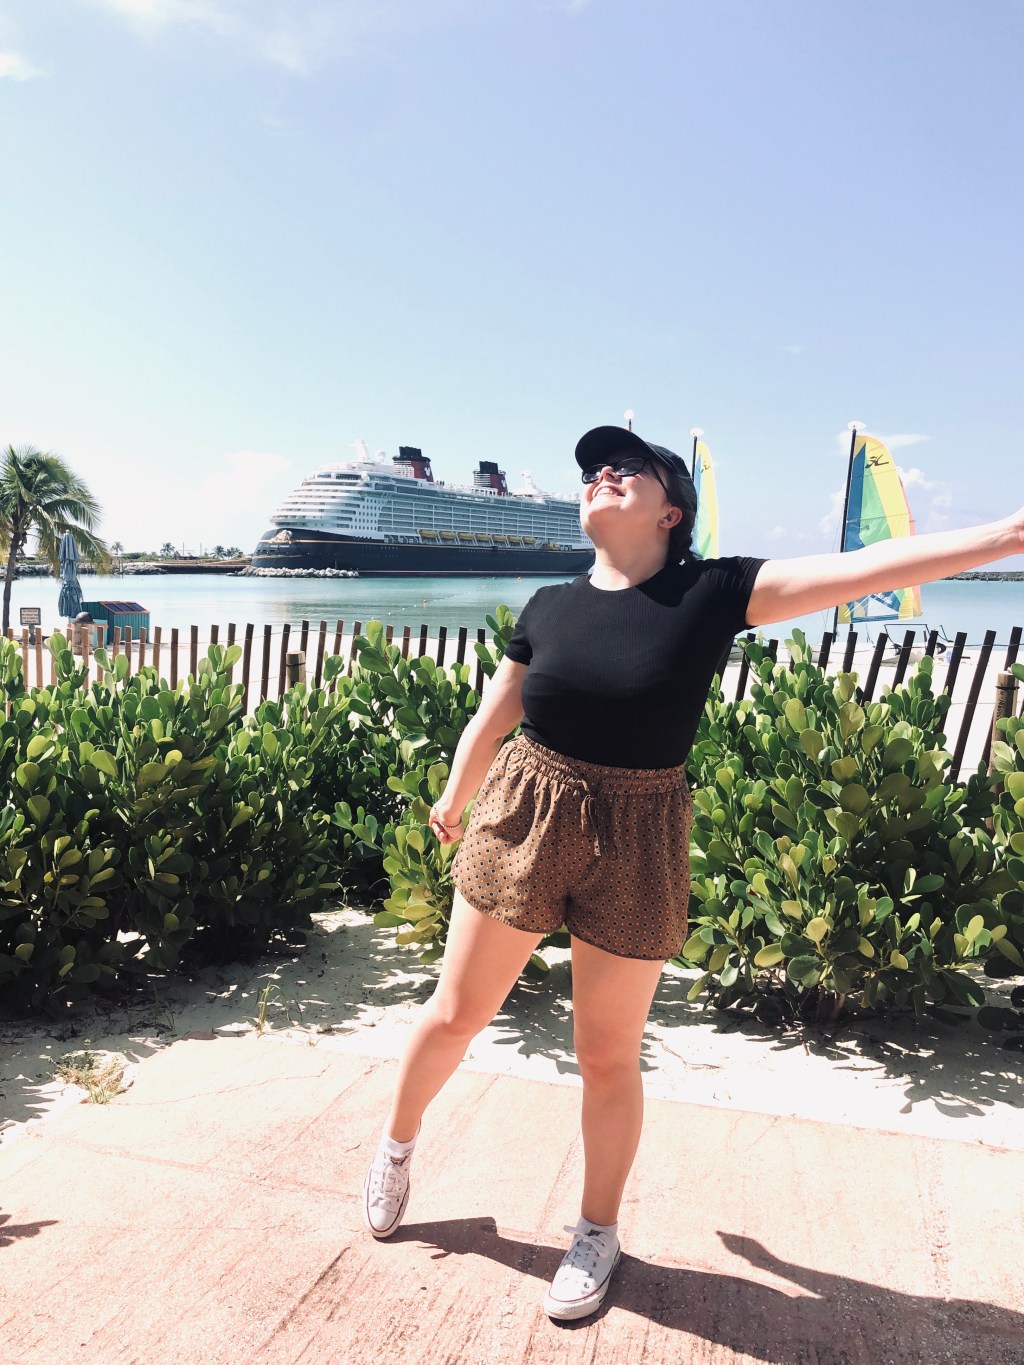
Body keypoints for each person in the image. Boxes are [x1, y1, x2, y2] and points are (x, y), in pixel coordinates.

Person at [363, 422, 1024, 1321]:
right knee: (454, 1014)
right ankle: (397, 1147)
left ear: (671, 510)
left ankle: (597, 1230)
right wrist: (452, 794)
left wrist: (1005, 537)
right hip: (527, 810)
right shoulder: (549, 604)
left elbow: (869, 569)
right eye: (593, 468)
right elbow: (492, 716)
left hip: (641, 828)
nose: (600, 474)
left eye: (624, 468)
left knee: (604, 1054)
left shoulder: (711, 591)